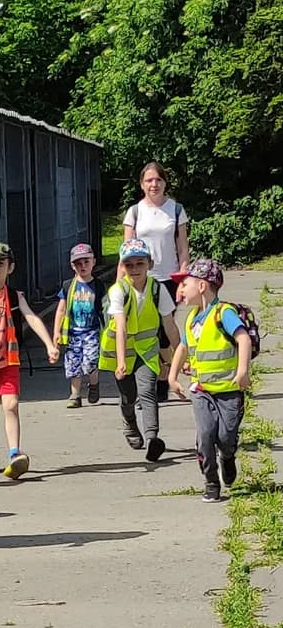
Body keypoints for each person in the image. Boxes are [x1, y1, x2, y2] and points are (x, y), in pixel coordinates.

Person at [0, 242, 57, 481]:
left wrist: (49, 344)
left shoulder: (14, 296)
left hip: (9, 361)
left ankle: (15, 454)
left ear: (10, 267)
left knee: (11, 405)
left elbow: (31, 318)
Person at [168, 258, 253, 502]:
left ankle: (227, 457)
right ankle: (211, 481)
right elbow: (183, 348)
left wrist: (243, 371)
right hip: (201, 390)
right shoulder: (191, 318)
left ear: (202, 286)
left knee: (226, 438)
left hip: (229, 390)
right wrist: (173, 377)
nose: (180, 290)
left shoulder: (222, 313)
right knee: (205, 435)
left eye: (185, 284)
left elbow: (243, 338)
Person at [98, 239, 178, 462]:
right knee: (128, 397)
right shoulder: (118, 291)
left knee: (148, 392)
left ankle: (153, 438)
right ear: (122, 267)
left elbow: (169, 324)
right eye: (129, 264)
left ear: (149, 264)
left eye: (139, 263)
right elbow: (121, 326)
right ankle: (130, 424)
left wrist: (181, 355)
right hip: (122, 352)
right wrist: (121, 361)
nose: (134, 269)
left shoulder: (157, 289)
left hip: (146, 351)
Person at [123, 162, 190, 309]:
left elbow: (183, 250)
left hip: (169, 279)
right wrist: (120, 283)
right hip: (141, 278)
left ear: (165, 183)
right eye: (149, 180)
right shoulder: (134, 212)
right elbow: (125, 253)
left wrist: (182, 281)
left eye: (159, 179)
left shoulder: (176, 210)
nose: (154, 184)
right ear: (142, 185)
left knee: (167, 326)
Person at [52, 245, 103, 408]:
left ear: (93, 262)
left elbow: (106, 308)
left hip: (92, 331)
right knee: (73, 364)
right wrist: (56, 332)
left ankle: (94, 384)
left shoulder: (98, 285)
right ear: (72, 265)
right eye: (78, 263)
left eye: (86, 262)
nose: (83, 266)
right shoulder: (68, 286)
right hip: (73, 332)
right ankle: (75, 395)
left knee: (90, 362)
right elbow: (61, 309)